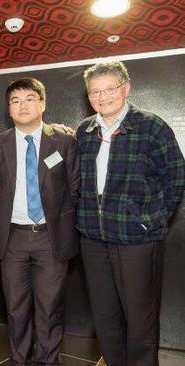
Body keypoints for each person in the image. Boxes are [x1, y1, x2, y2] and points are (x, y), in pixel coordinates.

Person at [77, 61, 185, 366]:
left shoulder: (152, 126)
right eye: (95, 91)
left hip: (137, 238)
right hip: (93, 239)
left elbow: (176, 176)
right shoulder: (84, 131)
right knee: (105, 315)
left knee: (141, 317)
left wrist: (152, 220)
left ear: (126, 88)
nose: (102, 96)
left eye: (109, 89)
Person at [0, 78, 79, 365]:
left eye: (28, 98)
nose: (22, 105)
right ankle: (20, 359)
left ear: (42, 103)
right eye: (15, 101)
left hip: (51, 238)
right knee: (16, 307)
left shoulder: (63, 141)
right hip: (13, 238)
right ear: (9, 109)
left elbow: (75, 188)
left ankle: (50, 360)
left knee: (50, 307)